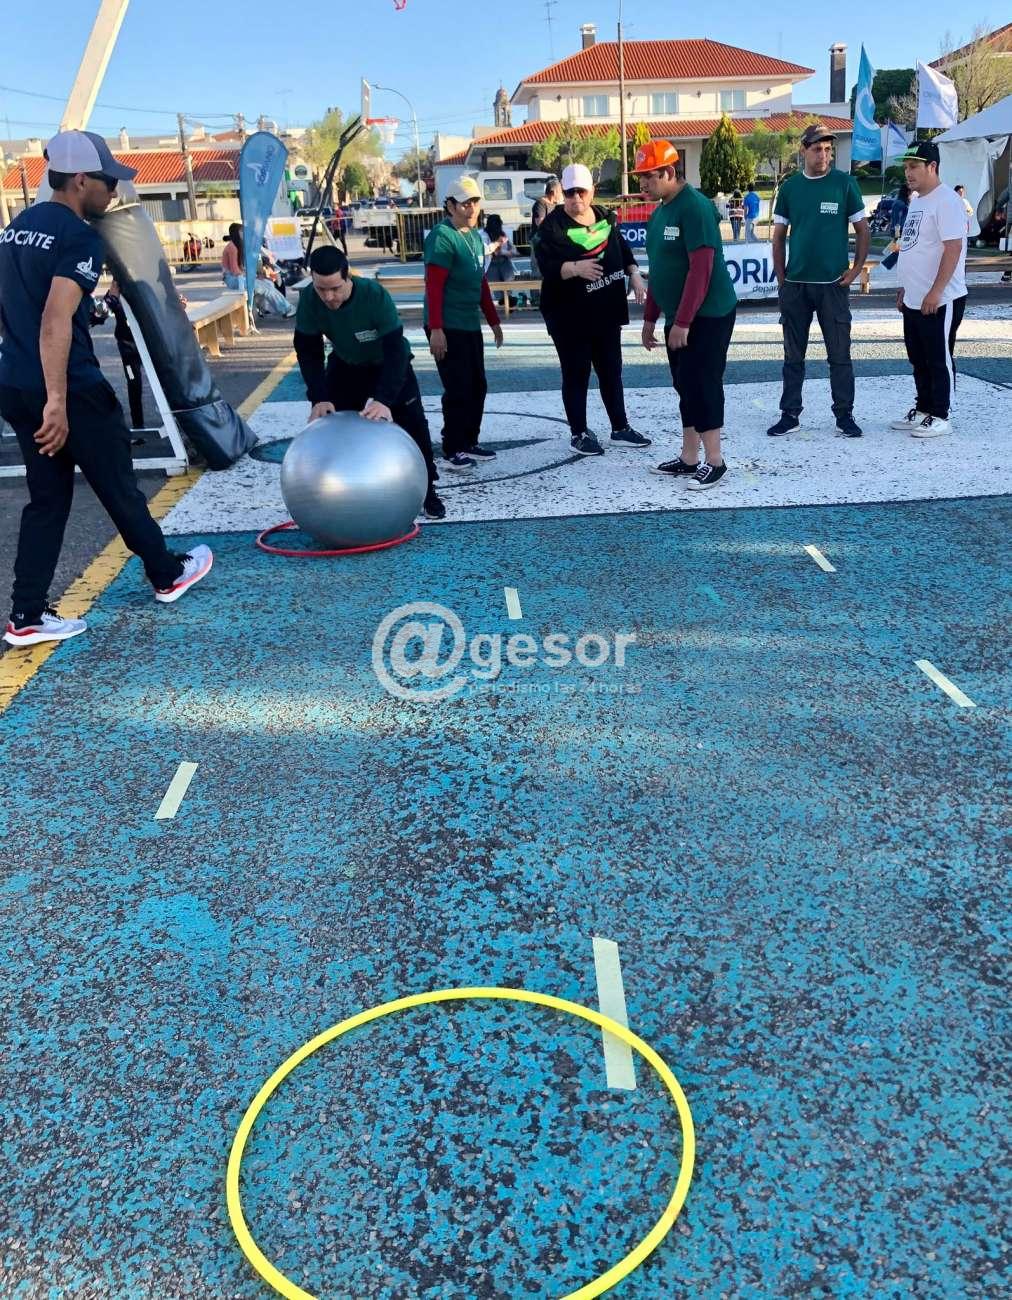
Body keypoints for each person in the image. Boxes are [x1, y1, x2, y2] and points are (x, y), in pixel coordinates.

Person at [0, 129, 211, 648]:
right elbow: (54, 321)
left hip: (16, 383)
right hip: (68, 389)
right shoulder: (79, 237)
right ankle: (166, 573)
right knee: (118, 485)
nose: (114, 190)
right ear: (79, 180)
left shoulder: (14, 230)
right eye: (107, 180)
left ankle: (27, 614)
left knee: (47, 498)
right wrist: (57, 401)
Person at [293, 245, 445, 518]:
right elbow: (308, 351)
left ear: (348, 277)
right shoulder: (309, 300)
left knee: (413, 426)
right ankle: (338, 490)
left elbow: (395, 350)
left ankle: (427, 491)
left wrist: (384, 400)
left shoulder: (373, 295)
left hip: (388, 363)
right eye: (321, 289)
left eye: (335, 288)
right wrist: (319, 397)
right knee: (336, 429)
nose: (328, 297)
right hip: (346, 365)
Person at [635, 140, 739, 490]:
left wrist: (683, 322)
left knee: (703, 383)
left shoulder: (694, 207)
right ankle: (689, 457)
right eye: (640, 177)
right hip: (680, 315)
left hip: (708, 314)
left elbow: (701, 269)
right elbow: (659, 270)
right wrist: (650, 318)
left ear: (669, 172)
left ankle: (715, 461)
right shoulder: (660, 212)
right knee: (685, 385)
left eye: (648, 176)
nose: (642, 183)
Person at [534, 161, 649, 456]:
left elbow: (622, 248)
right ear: (562, 192)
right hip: (568, 317)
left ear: (592, 191)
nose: (576, 198)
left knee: (611, 371)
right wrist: (575, 268)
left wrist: (634, 273)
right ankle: (579, 433)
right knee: (576, 374)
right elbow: (545, 265)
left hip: (606, 313)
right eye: (569, 192)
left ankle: (620, 428)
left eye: (581, 191)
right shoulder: (552, 227)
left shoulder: (606, 218)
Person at [767, 123, 870, 438]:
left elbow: (863, 230)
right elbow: (778, 237)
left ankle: (844, 416)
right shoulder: (790, 188)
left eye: (828, 149)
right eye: (817, 149)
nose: (823, 155)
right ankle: (790, 414)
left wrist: (855, 270)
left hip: (833, 286)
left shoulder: (844, 184)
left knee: (840, 355)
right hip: (796, 286)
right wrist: (783, 280)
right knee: (792, 356)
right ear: (804, 151)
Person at [422, 176, 503, 471]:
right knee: (458, 387)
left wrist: (493, 321)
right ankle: (452, 446)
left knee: (477, 385)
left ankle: (470, 440)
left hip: (468, 322)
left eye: (475, 202)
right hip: (447, 323)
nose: (471, 208)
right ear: (451, 206)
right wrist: (436, 329)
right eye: (465, 203)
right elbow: (434, 286)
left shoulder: (475, 237)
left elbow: (480, 282)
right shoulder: (442, 236)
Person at [890, 142, 968, 439]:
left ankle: (941, 414)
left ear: (932, 167)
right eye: (906, 167)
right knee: (918, 357)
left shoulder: (947, 201)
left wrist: (936, 292)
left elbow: (953, 248)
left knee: (938, 357)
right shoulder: (917, 200)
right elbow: (913, 246)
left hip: (941, 298)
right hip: (914, 297)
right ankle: (923, 409)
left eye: (914, 166)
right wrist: (905, 287)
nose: (907, 172)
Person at [528, 176, 561, 305]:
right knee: (537, 270)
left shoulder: (555, 205)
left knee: (551, 269)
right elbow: (540, 222)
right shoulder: (540, 204)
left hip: (551, 242)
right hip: (539, 242)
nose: (561, 194)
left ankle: (549, 297)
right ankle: (536, 299)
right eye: (559, 191)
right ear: (553, 192)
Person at [481, 213, 518, 300]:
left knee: (508, 285)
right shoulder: (483, 234)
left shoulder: (503, 233)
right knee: (496, 287)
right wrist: (499, 245)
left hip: (504, 262)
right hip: (491, 264)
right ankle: (502, 302)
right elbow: (487, 250)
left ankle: (508, 302)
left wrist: (509, 252)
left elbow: (513, 249)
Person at [221, 223, 243, 290]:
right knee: (260, 286)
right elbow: (234, 269)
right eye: (242, 231)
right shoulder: (232, 247)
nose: (244, 233)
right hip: (232, 279)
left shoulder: (236, 245)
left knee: (264, 284)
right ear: (236, 233)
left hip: (235, 277)